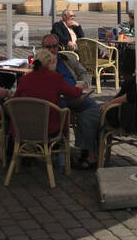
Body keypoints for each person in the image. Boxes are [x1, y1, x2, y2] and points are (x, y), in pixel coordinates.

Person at [11, 47, 88, 166]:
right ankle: (62, 155)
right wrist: (80, 87)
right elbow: (74, 93)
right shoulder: (55, 78)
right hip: (48, 128)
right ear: (50, 63)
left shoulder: (25, 79)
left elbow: (15, 101)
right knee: (65, 111)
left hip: (23, 128)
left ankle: (23, 155)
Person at [38, 34, 102, 168]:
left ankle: (87, 150)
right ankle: (59, 147)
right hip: (54, 101)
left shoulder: (67, 59)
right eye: (48, 47)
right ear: (42, 48)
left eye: (54, 46)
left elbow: (83, 73)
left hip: (73, 96)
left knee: (92, 108)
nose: (51, 50)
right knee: (61, 111)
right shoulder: (41, 62)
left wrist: (83, 83)